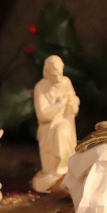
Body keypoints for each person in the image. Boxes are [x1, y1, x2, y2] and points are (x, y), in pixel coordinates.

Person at [32, 55, 80, 193]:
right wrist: (58, 105)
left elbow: (74, 98)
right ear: (47, 73)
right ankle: (55, 173)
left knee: (63, 131)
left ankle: (64, 170)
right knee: (59, 132)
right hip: (48, 127)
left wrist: (73, 104)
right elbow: (42, 115)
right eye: (54, 75)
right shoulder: (41, 87)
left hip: (64, 122)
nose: (58, 78)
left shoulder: (66, 82)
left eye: (60, 74)